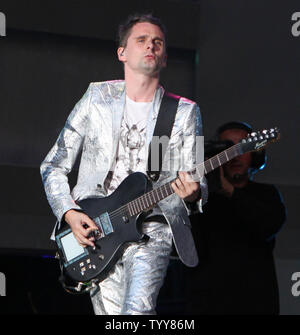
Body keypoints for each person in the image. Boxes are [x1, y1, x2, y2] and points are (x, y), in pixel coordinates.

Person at [40, 13, 207, 315]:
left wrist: (192, 192)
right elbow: (53, 164)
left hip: (152, 227)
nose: (150, 47)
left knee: (137, 313)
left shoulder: (183, 112)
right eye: (141, 40)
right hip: (96, 230)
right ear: (122, 52)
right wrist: (69, 212)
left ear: (165, 57)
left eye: (157, 42)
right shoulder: (96, 97)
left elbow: (196, 179)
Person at [185, 121, 286, 315]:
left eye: (243, 147)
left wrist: (228, 190)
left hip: (255, 304)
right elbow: (188, 249)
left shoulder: (267, 194)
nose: (235, 155)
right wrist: (191, 201)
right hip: (206, 305)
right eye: (227, 149)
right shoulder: (203, 200)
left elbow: (267, 226)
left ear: (255, 154)